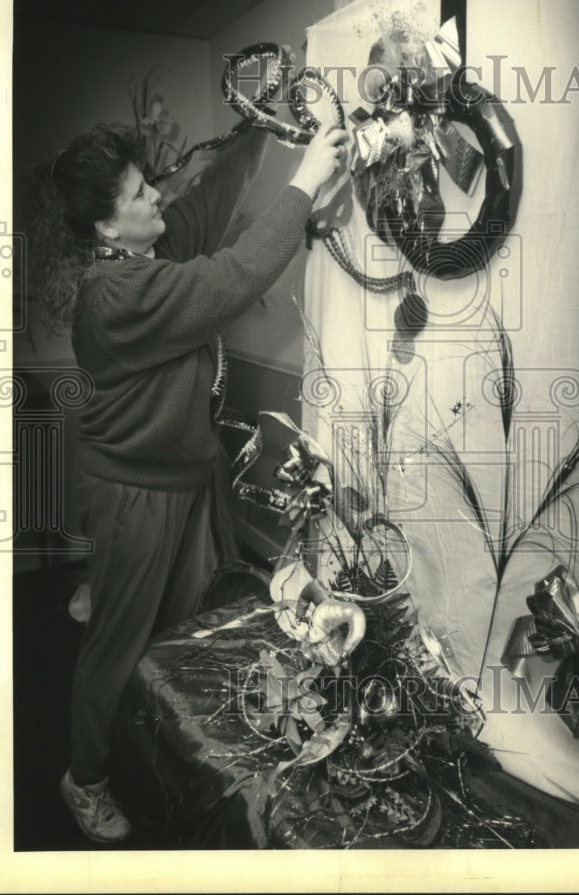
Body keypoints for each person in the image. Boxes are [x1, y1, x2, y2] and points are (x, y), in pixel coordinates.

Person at [28, 114, 348, 843]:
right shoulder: (113, 295)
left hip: (185, 481)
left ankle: (152, 759)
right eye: (142, 193)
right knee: (116, 645)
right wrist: (306, 179)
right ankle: (85, 780)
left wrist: (259, 128)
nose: (158, 198)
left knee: (182, 633)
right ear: (107, 228)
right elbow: (231, 277)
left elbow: (204, 203)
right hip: (133, 495)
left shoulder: (151, 246)